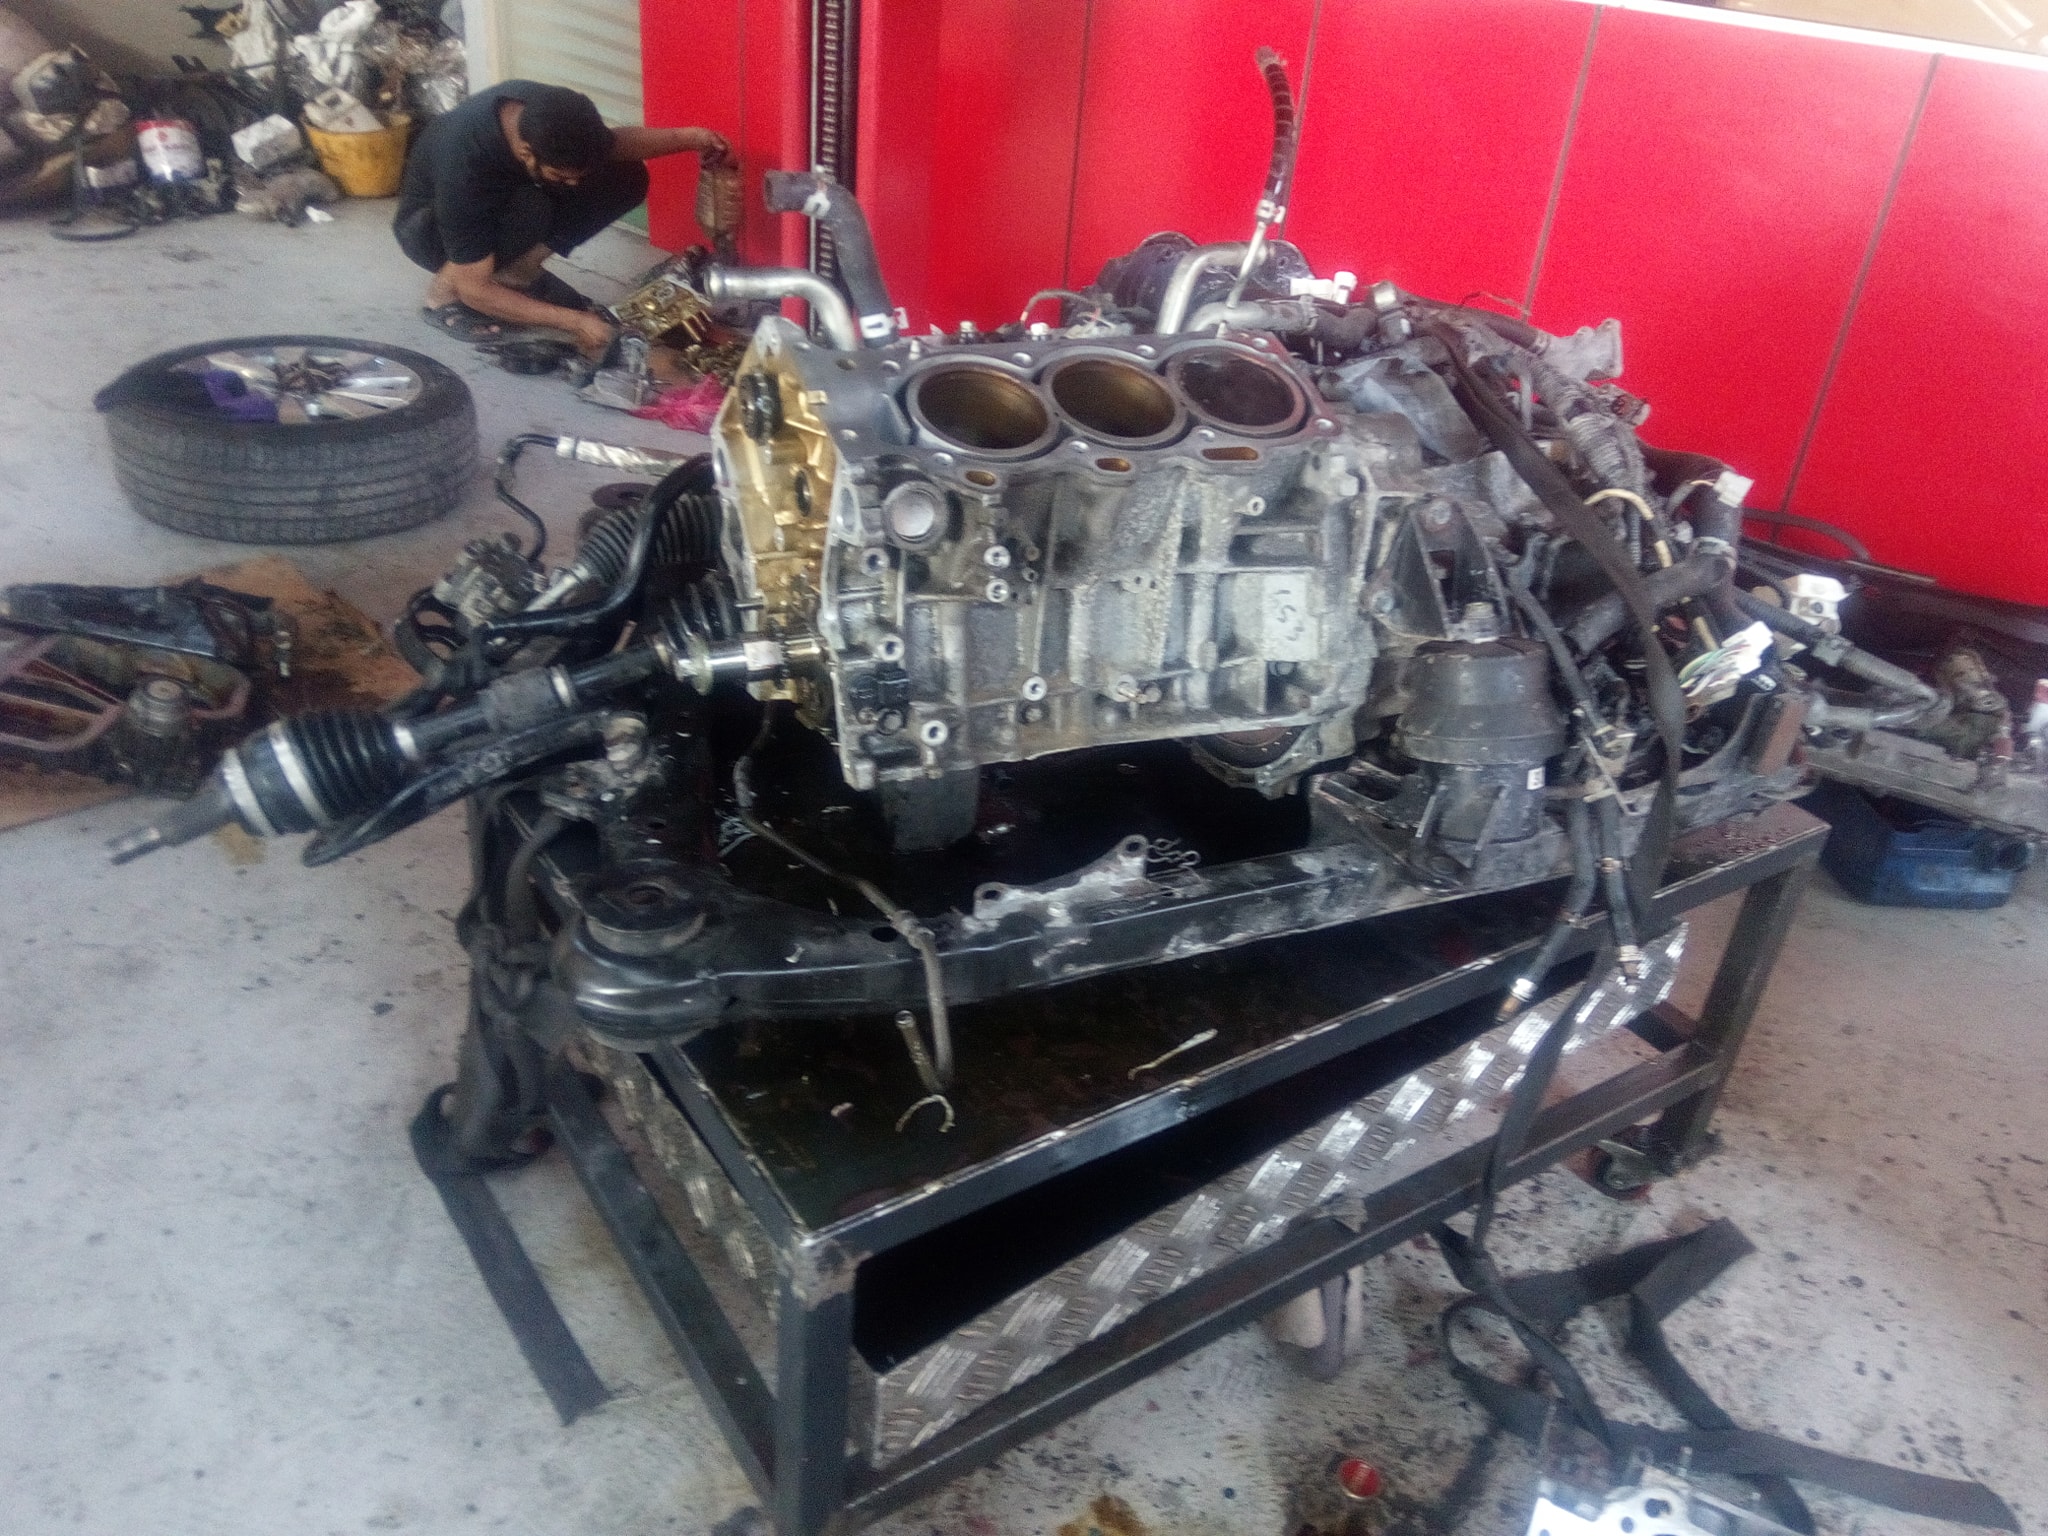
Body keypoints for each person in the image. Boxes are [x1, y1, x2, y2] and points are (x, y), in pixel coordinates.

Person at [394, 80, 727, 356]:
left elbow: (615, 146)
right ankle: (441, 297)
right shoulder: (467, 170)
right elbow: (474, 289)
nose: (572, 185)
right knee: (530, 208)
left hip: (501, 199)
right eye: (561, 175)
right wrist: (575, 322)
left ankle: (518, 273)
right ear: (526, 153)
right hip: (427, 229)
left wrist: (693, 139)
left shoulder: (551, 112)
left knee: (626, 176)